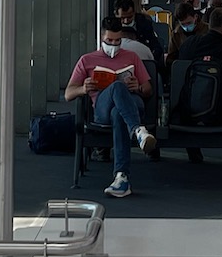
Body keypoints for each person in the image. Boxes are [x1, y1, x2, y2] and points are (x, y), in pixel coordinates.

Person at [63, 16, 157, 198]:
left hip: (131, 103)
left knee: (118, 113)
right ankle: (138, 131)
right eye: (109, 41)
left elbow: (148, 90)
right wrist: (83, 88)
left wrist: (137, 86)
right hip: (101, 109)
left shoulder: (132, 57)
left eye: (117, 41)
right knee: (116, 88)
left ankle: (121, 178)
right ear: (101, 38)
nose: (114, 45)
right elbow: (68, 94)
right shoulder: (87, 60)